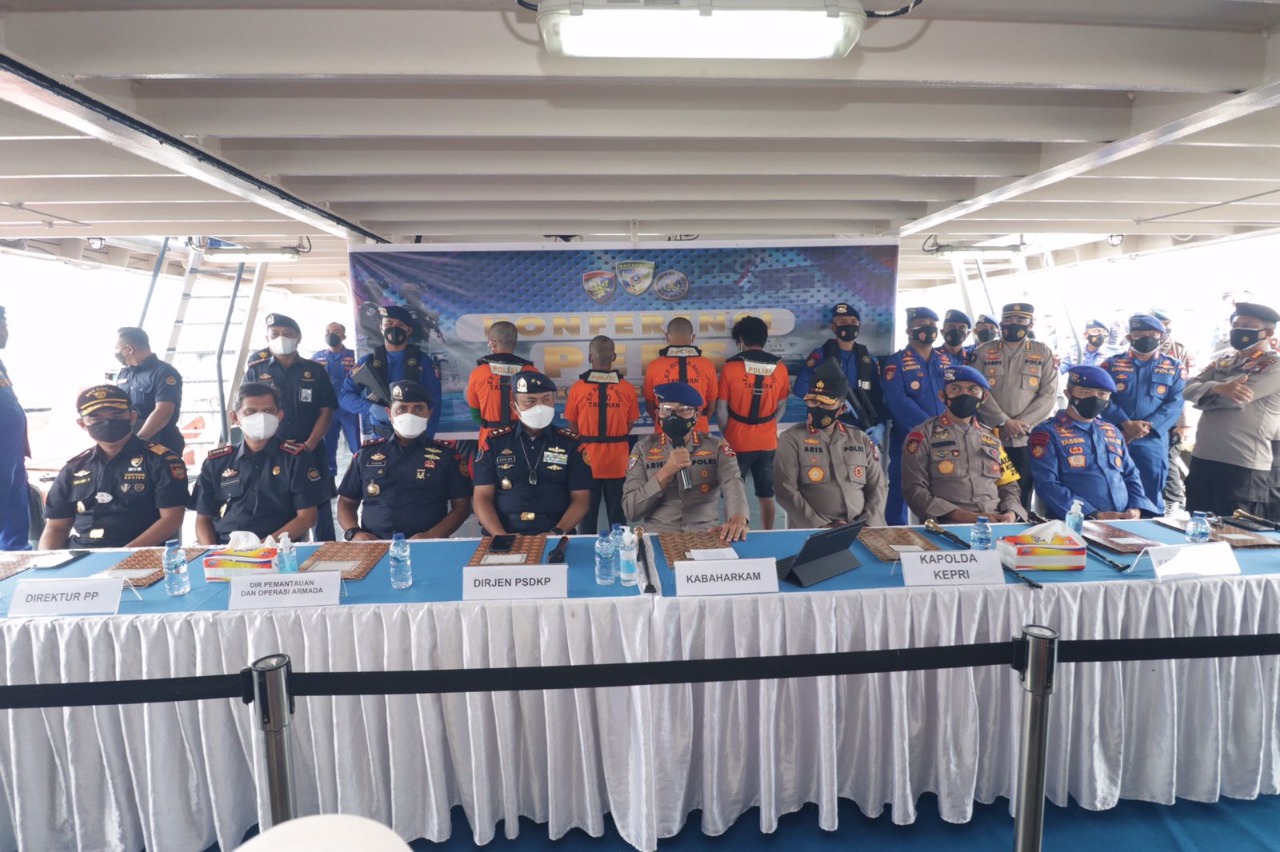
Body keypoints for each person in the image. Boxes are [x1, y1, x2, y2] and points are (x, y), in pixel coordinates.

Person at [39, 385, 187, 549]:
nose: (107, 423)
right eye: (96, 419)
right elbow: (56, 527)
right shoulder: (73, 469)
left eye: (116, 415)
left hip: (140, 553)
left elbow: (171, 519)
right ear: (82, 424)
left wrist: (123, 556)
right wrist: (47, 560)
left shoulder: (161, 461)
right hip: (82, 553)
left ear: (132, 417)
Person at [193, 382, 328, 545]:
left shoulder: (297, 458)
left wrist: (263, 547)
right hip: (224, 548)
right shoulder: (216, 462)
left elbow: (307, 518)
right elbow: (203, 518)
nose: (261, 417)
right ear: (235, 418)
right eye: (250, 412)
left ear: (280, 416)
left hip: (278, 547)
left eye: (268, 411)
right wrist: (212, 552)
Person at [337, 380, 471, 540]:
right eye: (402, 409)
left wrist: (433, 535)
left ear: (429, 413)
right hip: (373, 543)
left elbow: (462, 505)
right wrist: (354, 533)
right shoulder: (366, 455)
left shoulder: (447, 456)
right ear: (389, 414)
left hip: (428, 544)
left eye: (418, 409)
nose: (410, 415)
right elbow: (346, 501)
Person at [245, 313, 338, 540]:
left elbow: (326, 411)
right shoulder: (256, 371)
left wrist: (308, 445)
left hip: (309, 448)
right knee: (275, 500)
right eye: (275, 334)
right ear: (267, 338)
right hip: (271, 451)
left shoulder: (315, 371)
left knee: (319, 501)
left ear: (298, 337)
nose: (281, 338)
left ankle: (326, 549)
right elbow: (245, 410)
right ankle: (277, 546)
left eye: (287, 333)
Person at [1184, 302, 1280, 518]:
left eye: (1247, 326)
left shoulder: (1274, 365)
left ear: (1268, 333)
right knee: (1197, 525)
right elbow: (1187, 388)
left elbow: (1234, 400)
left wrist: (1203, 395)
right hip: (1204, 457)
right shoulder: (1224, 361)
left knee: (1235, 530)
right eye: (1236, 325)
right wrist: (1216, 388)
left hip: (1242, 463)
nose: (1239, 330)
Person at [624, 382, 750, 538]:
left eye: (683, 410)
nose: (673, 416)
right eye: (666, 409)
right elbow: (631, 511)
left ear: (696, 415)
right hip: (658, 533)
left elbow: (732, 482)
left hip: (705, 532)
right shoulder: (643, 449)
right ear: (658, 414)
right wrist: (665, 473)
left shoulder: (716, 447)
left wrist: (738, 517)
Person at [901, 366, 1027, 523]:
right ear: (942, 396)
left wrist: (1011, 512)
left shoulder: (992, 438)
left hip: (996, 523)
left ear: (984, 397)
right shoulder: (922, 435)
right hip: (948, 525)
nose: (964, 394)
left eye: (973, 389)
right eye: (956, 389)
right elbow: (914, 491)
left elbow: (1009, 485)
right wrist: (970, 518)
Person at [1029, 366, 1157, 521]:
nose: (1095, 399)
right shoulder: (1047, 433)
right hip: (1075, 522)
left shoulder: (1111, 431)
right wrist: (1094, 515)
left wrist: (1136, 507)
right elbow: (1047, 484)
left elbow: (1130, 474)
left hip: (1123, 520)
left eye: (1102, 394)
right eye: (1086, 392)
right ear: (1068, 394)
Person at [472, 371, 590, 536]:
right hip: (502, 533)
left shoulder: (570, 444)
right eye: (530, 401)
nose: (540, 408)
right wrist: (501, 536)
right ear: (514, 407)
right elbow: (482, 497)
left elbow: (581, 498)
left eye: (546, 400)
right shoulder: (494, 443)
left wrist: (556, 532)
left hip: (556, 533)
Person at [774, 361, 886, 528]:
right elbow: (785, 491)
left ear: (842, 408)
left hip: (863, 529)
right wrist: (821, 526)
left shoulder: (860, 439)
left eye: (826, 403)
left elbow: (877, 486)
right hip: (812, 531)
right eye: (813, 402)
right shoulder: (791, 439)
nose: (818, 407)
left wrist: (867, 524)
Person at [879, 307, 962, 524]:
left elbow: (958, 393)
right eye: (922, 324)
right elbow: (898, 401)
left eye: (933, 325)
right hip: (909, 435)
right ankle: (896, 532)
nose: (929, 329)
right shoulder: (896, 362)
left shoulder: (947, 361)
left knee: (945, 482)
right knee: (902, 484)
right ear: (909, 330)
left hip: (947, 433)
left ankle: (940, 528)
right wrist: (930, 425)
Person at [973, 303, 1060, 507]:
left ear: (1030, 324)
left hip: (1024, 437)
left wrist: (1020, 424)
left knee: (1022, 491)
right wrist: (1004, 422)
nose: (1014, 324)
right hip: (989, 434)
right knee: (986, 489)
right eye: (1009, 320)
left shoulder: (1043, 352)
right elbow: (976, 390)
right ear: (1001, 322)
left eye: (1020, 320)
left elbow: (1048, 394)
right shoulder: (983, 352)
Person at [1100, 315, 1185, 514]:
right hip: (1116, 436)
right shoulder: (1110, 365)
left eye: (1152, 335)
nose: (1147, 339)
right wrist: (1125, 423)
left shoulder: (1174, 367)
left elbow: (1176, 402)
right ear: (1130, 337)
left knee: (1150, 492)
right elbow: (1102, 397)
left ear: (1161, 337)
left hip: (1152, 440)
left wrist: (1146, 428)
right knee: (1112, 486)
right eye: (1140, 335)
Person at [715, 316, 789, 529]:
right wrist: (767, 425)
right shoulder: (780, 368)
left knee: (733, 494)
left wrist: (728, 432)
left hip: (736, 441)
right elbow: (781, 407)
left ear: (740, 340)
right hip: (767, 442)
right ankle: (768, 533)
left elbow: (721, 409)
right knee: (767, 494)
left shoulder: (730, 367)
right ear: (764, 339)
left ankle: (733, 534)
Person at [563, 335, 640, 534]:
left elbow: (572, 423)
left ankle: (587, 550)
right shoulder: (627, 388)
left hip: (587, 461)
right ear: (614, 357)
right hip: (618, 461)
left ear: (590, 357)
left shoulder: (578, 389)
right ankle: (621, 549)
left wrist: (587, 439)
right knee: (618, 516)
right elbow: (630, 423)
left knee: (586, 517)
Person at [341, 305, 443, 440]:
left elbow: (434, 404)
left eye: (400, 325)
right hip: (381, 438)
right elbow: (344, 396)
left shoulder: (424, 362)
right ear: (381, 327)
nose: (394, 328)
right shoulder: (367, 362)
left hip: (416, 436)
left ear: (409, 330)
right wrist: (369, 408)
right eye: (389, 323)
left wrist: (426, 440)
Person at [792, 302, 885, 437]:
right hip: (826, 425)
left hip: (860, 429)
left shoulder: (869, 360)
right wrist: (832, 400)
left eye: (853, 321)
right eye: (843, 322)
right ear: (833, 327)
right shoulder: (821, 356)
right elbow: (800, 388)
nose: (849, 325)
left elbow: (879, 397)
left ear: (859, 325)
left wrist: (881, 425)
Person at [113, 327, 185, 457]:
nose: (116, 352)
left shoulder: (164, 373)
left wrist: (139, 440)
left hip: (160, 441)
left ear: (129, 349)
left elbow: (163, 412)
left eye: (117, 348)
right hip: (130, 441)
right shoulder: (124, 373)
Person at [465, 319, 535, 446]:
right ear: (514, 342)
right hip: (523, 441)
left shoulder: (478, 373)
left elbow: (475, 415)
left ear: (493, 343)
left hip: (489, 443)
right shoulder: (532, 372)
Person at [642, 317, 718, 434]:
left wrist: (664, 422)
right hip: (698, 430)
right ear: (693, 337)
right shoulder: (707, 365)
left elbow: (650, 406)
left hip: (664, 431)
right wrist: (697, 421)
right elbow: (711, 407)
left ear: (667, 337)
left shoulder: (654, 366)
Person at [1151, 306, 1194, 511]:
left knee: (1168, 460)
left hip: (1169, 418)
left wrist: (1183, 423)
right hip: (1140, 417)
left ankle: (1172, 506)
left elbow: (1185, 389)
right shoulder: (1132, 350)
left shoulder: (1178, 350)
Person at [0, 306, 31, 550]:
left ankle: (16, 556)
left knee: (15, 511)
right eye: (2, 326)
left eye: (4, 325)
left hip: (12, 453)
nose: (5, 332)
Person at [312, 321, 360, 478]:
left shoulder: (354, 356)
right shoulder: (317, 358)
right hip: (326, 411)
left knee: (358, 446)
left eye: (335, 332)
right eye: (328, 331)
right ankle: (329, 481)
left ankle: (360, 478)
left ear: (343, 336)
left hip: (350, 411)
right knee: (327, 448)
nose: (331, 335)